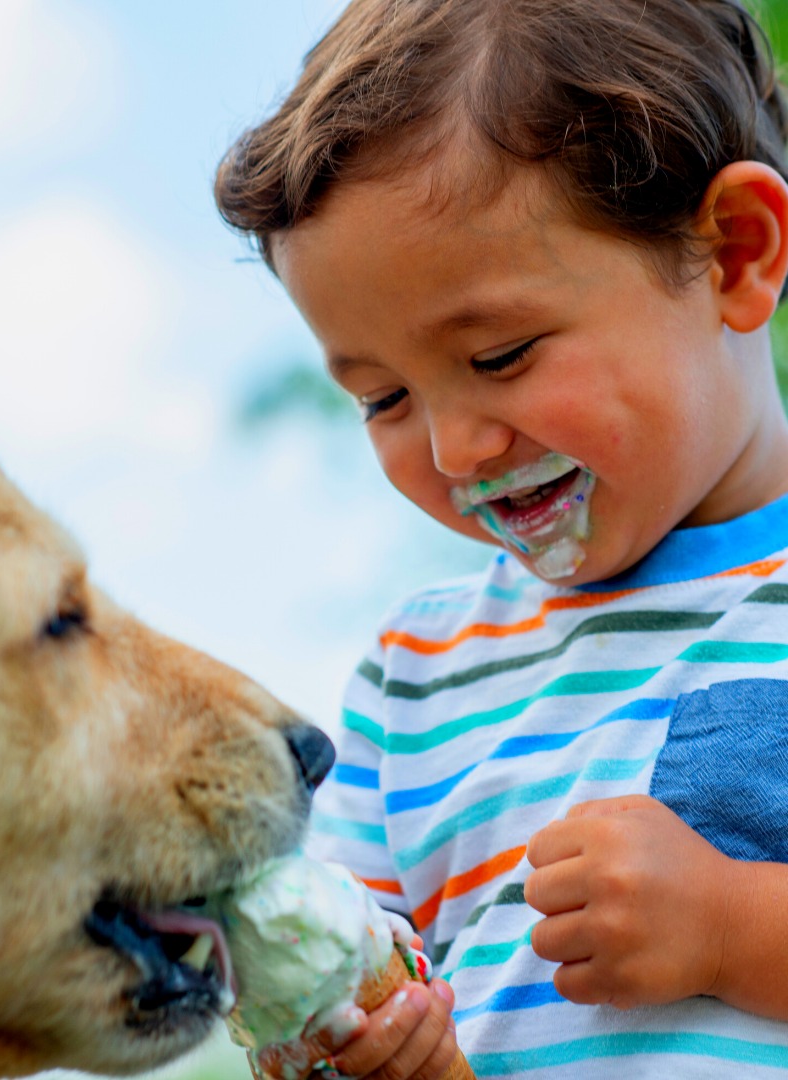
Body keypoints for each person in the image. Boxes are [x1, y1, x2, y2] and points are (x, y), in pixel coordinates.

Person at [213, 0, 788, 1077]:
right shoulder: (415, 680)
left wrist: (731, 924)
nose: (457, 449)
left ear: (735, 255)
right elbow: (332, 996)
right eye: (383, 399)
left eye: (502, 354)